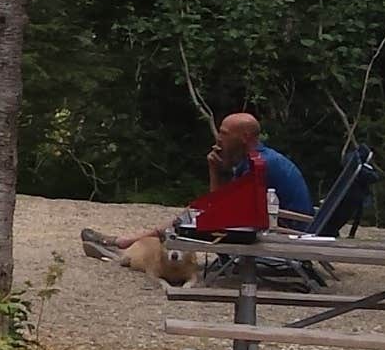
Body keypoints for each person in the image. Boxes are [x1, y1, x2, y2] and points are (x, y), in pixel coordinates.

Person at [82, 113, 312, 276]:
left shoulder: (260, 165)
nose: (218, 139)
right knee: (193, 214)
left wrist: (213, 176)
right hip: (272, 227)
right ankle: (128, 244)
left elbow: (219, 209)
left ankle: (124, 245)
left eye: (224, 133)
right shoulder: (254, 159)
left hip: (286, 235)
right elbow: (221, 204)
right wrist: (216, 170)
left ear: (244, 137)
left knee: (191, 218)